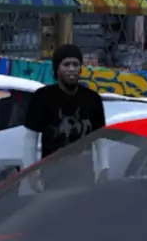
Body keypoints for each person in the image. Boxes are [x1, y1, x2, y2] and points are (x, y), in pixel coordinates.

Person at [22, 44, 109, 191]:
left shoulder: (92, 99)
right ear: (57, 68)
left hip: (83, 176)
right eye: (66, 64)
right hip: (52, 175)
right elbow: (30, 138)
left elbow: (100, 138)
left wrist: (104, 167)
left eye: (75, 64)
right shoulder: (42, 97)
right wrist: (31, 173)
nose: (71, 69)